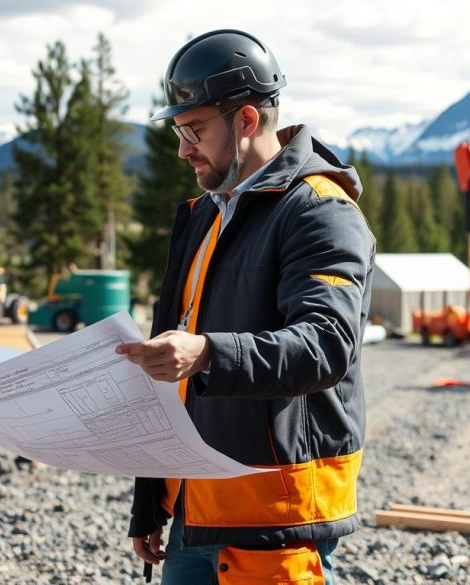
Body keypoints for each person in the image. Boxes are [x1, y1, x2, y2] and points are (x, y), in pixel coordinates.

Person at [115, 29, 375, 584]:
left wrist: (206, 352)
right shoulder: (205, 216)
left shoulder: (320, 212)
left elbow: (325, 347)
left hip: (275, 518)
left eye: (195, 130)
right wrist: (151, 499)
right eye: (180, 131)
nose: (183, 149)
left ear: (248, 121)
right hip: (194, 511)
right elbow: (173, 370)